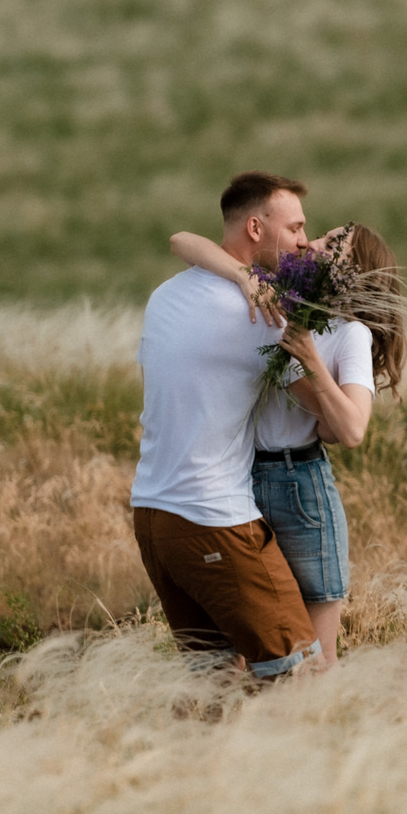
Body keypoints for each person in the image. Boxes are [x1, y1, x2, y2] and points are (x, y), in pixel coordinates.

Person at [168, 222, 407, 670]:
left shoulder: (349, 333)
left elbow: (351, 431)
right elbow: (182, 241)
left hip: (299, 487)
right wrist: (243, 276)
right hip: (235, 480)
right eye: (319, 235)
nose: (311, 243)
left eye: (331, 245)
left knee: (315, 657)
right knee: (247, 646)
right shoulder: (273, 298)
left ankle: (315, 736)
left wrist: (309, 359)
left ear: (351, 271)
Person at [128, 172, 324, 679]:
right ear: (256, 228)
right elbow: (327, 415)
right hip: (212, 516)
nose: (304, 240)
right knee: (299, 674)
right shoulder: (257, 314)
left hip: (153, 516)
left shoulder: (166, 295)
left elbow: (183, 241)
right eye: (296, 227)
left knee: (216, 686)